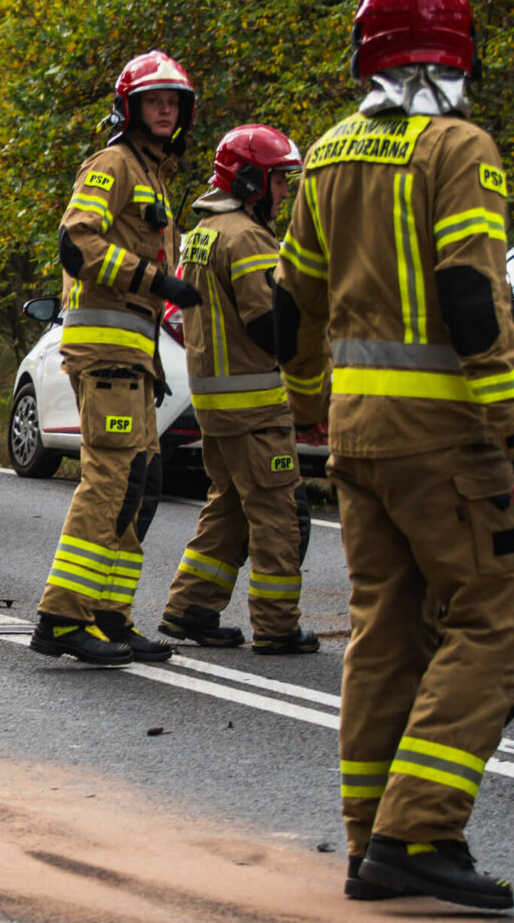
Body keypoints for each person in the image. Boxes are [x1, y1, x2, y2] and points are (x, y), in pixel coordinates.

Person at [275, 0, 514, 911]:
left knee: (385, 634)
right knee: (491, 618)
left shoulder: (329, 151)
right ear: (459, 49)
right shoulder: (461, 149)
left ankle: (367, 844)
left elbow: (289, 302)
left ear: (367, 53)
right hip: (447, 439)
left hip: (357, 439)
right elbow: (475, 301)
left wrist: (309, 399)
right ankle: (417, 835)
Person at [28, 50, 203, 666]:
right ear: (130, 108)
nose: (165, 109)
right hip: (105, 354)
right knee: (112, 483)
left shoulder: (154, 173)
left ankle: (108, 615)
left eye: (174, 101)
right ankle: (60, 617)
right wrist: (159, 282)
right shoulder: (114, 163)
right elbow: (77, 242)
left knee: (143, 486)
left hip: (134, 360)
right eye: (154, 99)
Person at [158, 125, 319, 656]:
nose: (283, 193)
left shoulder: (204, 230)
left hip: (215, 405)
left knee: (228, 507)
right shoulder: (247, 237)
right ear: (251, 180)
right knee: (277, 515)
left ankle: (190, 609)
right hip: (255, 408)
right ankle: (277, 625)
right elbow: (265, 324)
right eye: (278, 181)